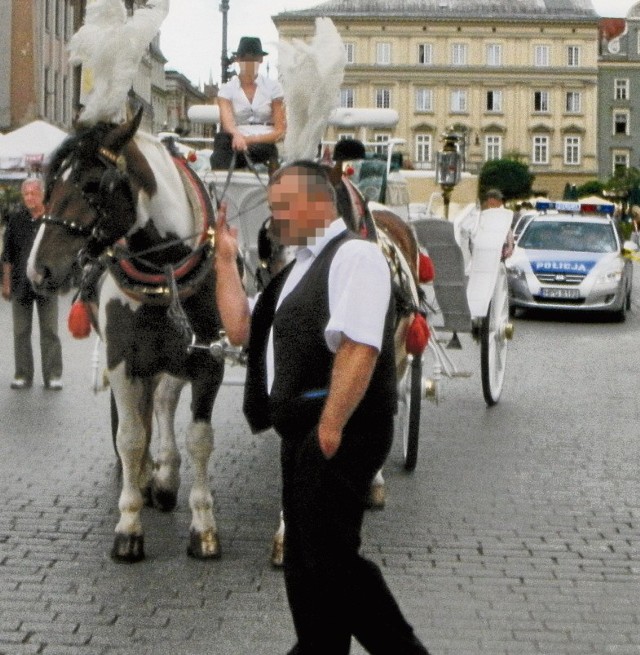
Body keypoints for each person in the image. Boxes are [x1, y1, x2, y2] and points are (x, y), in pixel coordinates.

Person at [214, 161, 429, 654]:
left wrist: (329, 429)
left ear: (314, 201)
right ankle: (318, 646)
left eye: (279, 206)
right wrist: (225, 262)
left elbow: (360, 347)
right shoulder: (299, 268)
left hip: (339, 427)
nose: (273, 218)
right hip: (303, 431)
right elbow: (241, 330)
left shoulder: (357, 256)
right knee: (306, 562)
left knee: (330, 559)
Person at [1, 178, 63, 390]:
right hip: (20, 284)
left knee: (50, 332)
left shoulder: (52, 220)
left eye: (33, 193)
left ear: (42, 195)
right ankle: (23, 375)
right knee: (21, 332)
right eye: (26, 194)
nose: (29, 198)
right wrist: (6, 284)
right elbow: (7, 255)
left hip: (46, 284)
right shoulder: (16, 220)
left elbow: (61, 253)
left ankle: (53, 375)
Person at [210, 36, 286, 171]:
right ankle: (220, 183)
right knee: (221, 140)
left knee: (267, 151)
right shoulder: (227, 89)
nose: (249, 63)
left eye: (253, 59)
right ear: (238, 60)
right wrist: (237, 135)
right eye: (245, 58)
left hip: (264, 141)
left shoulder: (273, 88)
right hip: (236, 140)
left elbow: (280, 130)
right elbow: (227, 122)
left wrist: (249, 140)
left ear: (260, 60)